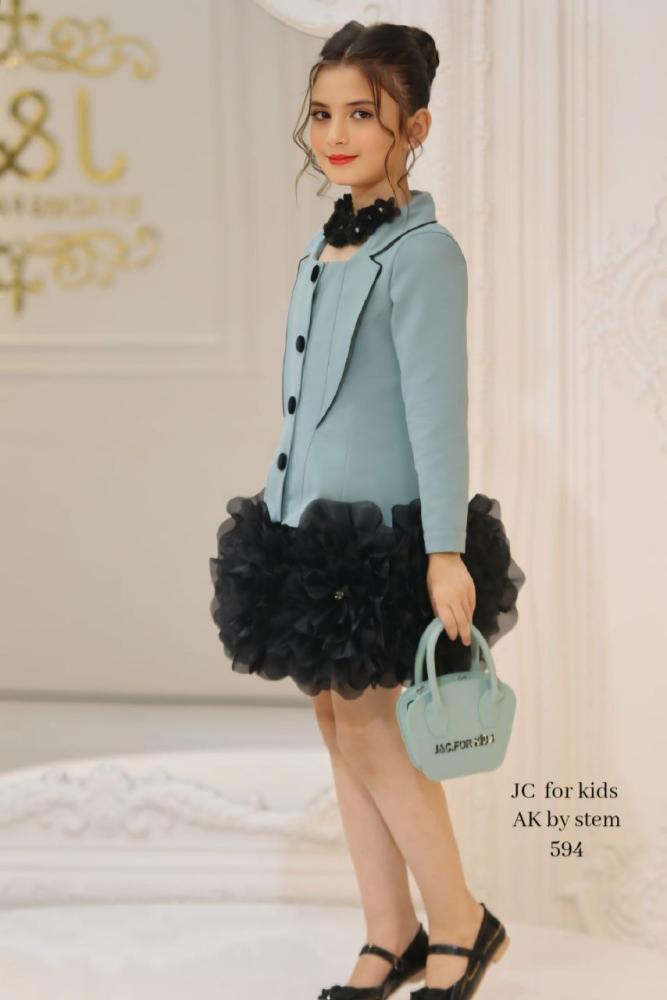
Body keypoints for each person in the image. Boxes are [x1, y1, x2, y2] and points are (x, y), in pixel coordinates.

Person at [209, 19, 525, 1000]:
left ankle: (462, 923)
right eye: (321, 114)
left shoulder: (424, 256)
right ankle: (390, 930)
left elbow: (437, 413)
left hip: (382, 537)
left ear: (412, 128)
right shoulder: (322, 248)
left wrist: (443, 551)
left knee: (379, 735)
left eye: (361, 115)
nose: (335, 135)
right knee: (338, 727)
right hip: (303, 528)